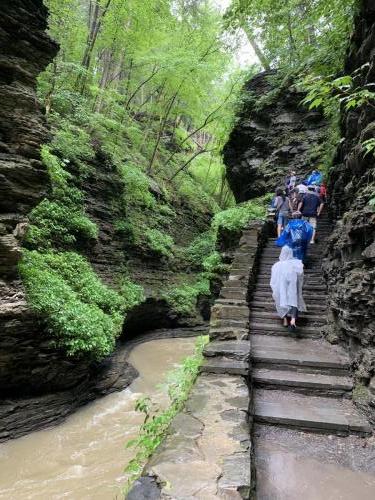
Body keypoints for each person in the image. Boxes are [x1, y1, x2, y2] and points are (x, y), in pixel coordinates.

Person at [270, 245, 306, 331]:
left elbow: (273, 279)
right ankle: (293, 320)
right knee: (294, 300)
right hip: (292, 286)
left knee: (280, 300)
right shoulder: (296, 263)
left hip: (279, 287)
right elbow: (300, 274)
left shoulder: (276, 265)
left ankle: (285, 319)